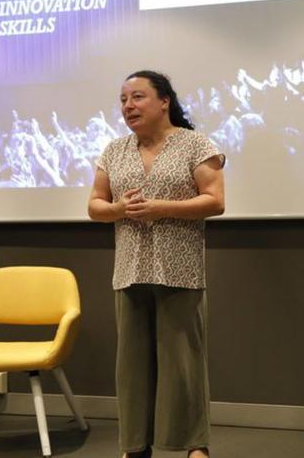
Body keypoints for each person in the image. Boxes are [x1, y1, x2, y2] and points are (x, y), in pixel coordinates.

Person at [88, 70, 225, 458]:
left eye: (138, 97)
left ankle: (195, 445)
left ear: (164, 101)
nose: (128, 106)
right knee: (132, 368)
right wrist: (118, 209)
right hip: (130, 270)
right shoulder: (114, 150)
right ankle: (135, 445)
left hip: (179, 270)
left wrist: (161, 208)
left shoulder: (195, 145)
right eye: (123, 100)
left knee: (183, 363)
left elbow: (215, 201)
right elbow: (95, 206)